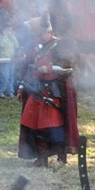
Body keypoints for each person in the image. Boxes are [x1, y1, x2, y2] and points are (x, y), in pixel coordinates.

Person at [17, 16, 79, 167]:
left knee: (54, 125)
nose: (38, 38)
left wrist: (49, 68)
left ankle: (61, 157)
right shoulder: (35, 47)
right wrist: (21, 88)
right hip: (36, 89)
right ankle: (41, 157)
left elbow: (67, 66)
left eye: (40, 34)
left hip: (55, 90)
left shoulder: (61, 45)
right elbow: (27, 69)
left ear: (49, 31)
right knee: (32, 124)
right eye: (36, 35)